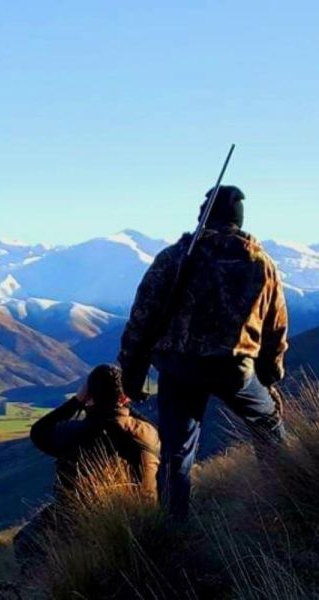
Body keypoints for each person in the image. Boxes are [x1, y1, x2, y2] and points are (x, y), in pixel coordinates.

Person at [118, 185, 287, 519]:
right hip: (235, 368)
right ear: (238, 217)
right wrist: (269, 376)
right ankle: (284, 499)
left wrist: (131, 373)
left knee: (177, 451)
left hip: (180, 366)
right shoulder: (259, 262)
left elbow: (141, 318)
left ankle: (174, 529)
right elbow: (275, 327)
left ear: (203, 215)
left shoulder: (174, 257)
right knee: (268, 425)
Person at [13, 364, 160, 562]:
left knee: (25, 542)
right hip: (146, 517)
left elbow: (39, 432)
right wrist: (122, 404)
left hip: (79, 521)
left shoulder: (73, 433)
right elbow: (142, 427)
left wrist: (77, 401)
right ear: (125, 397)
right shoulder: (148, 433)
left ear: (90, 396)